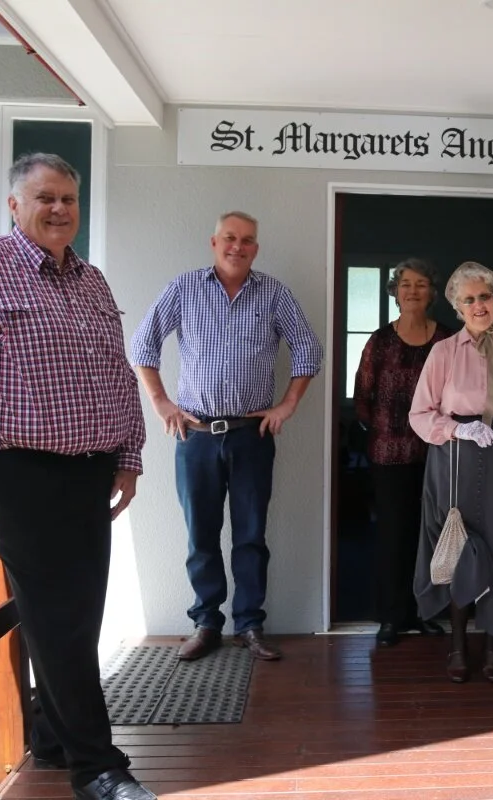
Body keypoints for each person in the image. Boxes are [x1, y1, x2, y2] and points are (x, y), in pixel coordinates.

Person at [0, 153, 154, 800]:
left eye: (69, 200)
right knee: (59, 618)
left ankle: (52, 737)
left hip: (92, 473)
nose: (60, 210)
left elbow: (117, 374)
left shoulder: (91, 280)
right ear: (14, 205)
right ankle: (98, 768)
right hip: (24, 471)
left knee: (78, 617)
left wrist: (129, 458)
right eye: (45, 198)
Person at [130, 211, 323, 663]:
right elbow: (143, 345)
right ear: (213, 241)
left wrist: (287, 405)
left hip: (251, 436)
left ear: (256, 247)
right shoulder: (184, 288)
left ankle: (250, 625)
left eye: (248, 240)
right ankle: (206, 623)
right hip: (194, 435)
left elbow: (309, 350)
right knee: (201, 535)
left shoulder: (273, 293)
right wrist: (160, 402)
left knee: (251, 536)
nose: (238, 246)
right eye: (230, 238)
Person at [409, 261, 493, 683]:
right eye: (468, 299)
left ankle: (492, 646)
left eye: (484, 297)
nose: (478, 305)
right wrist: (459, 429)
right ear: (457, 306)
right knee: (458, 550)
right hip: (455, 459)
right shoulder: (444, 352)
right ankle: (456, 646)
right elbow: (420, 414)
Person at [353, 258, 450, 646]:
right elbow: (363, 397)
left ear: (433, 293)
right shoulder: (379, 341)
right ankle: (392, 617)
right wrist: (385, 429)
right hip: (389, 454)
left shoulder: (447, 339)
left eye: (421, 284)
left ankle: (423, 612)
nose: (412, 290)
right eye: (405, 284)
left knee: (430, 536)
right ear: (395, 292)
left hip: (436, 454)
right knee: (394, 536)